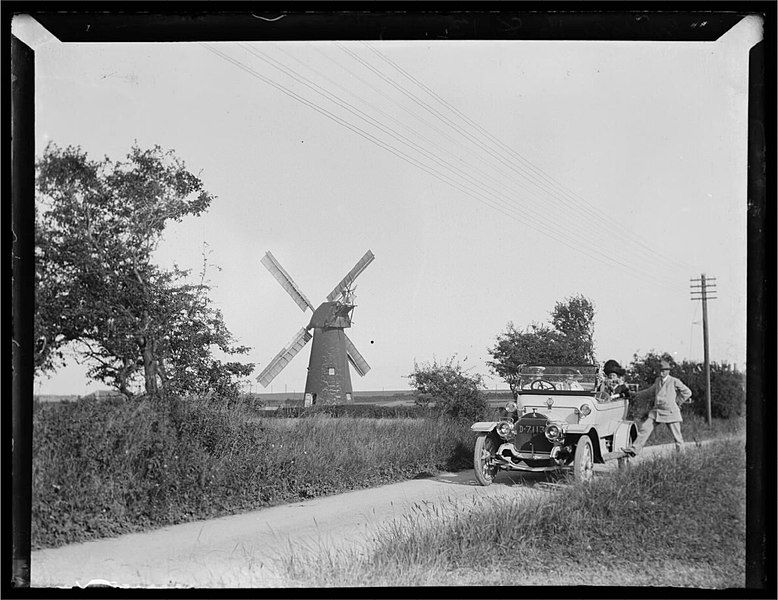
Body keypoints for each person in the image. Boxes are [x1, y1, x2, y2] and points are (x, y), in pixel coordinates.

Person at [622, 359, 692, 456]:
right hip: (657, 411)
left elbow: (687, 392)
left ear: (668, 371)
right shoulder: (658, 381)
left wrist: (677, 402)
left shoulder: (674, 381)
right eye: (660, 370)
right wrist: (634, 395)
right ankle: (634, 450)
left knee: (677, 437)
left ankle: (681, 457)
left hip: (671, 412)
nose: (661, 373)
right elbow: (649, 392)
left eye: (663, 371)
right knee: (644, 428)